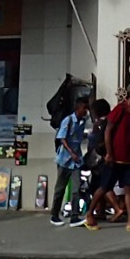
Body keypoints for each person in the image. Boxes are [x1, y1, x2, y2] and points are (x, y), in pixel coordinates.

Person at [86, 86, 130, 232]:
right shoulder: (120, 109)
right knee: (105, 187)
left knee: (129, 189)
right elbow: (108, 131)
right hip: (116, 157)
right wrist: (109, 153)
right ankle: (89, 214)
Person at [50, 89, 90, 226]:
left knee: (76, 188)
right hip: (65, 159)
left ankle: (74, 216)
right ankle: (54, 214)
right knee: (60, 188)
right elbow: (62, 138)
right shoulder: (68, 120)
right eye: (84, 108)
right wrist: (71, 152)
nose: (86, 111)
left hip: (76, 160)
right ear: (78, 108)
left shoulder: (82, 122)